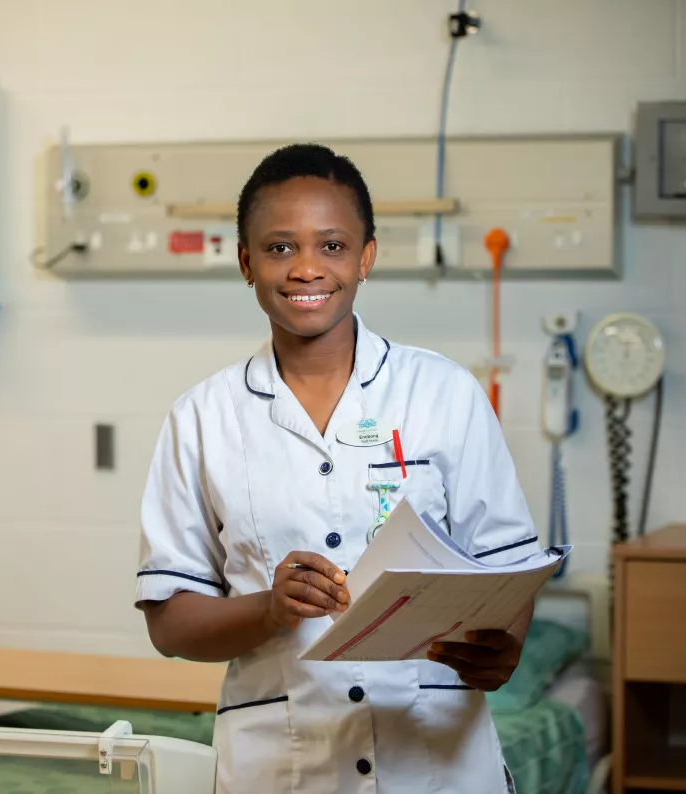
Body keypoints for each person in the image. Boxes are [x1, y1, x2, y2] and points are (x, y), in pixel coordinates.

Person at [136, 143, 541, 793]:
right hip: (283, 765)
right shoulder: (203, 418)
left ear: (366, 257)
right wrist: (270, 608)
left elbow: (507, 568)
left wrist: (501, 650)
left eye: (331, 246)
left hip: (434, 759)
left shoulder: (442, 393)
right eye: (278, 248)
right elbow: (169, 620)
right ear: (246, 262)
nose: (305, 269)